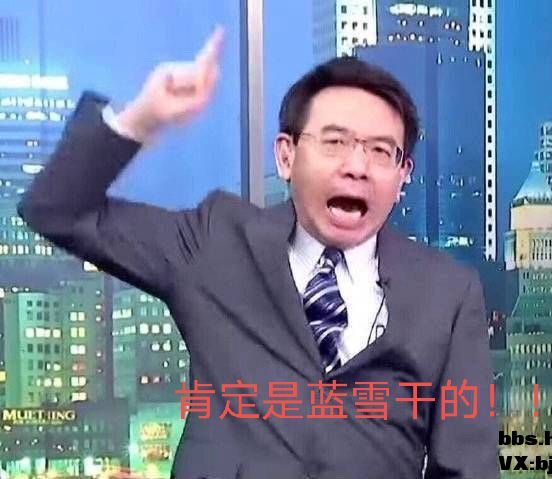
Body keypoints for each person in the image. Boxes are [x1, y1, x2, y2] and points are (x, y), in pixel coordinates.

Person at [18, 26, 499, 479]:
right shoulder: (215, 242)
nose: (357, 166)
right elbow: (56, 210)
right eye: (335, 142)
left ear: (403, 175)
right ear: (286, 156)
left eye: (380, 151)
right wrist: (142, 117)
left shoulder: (447, 293)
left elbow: (468, 467)